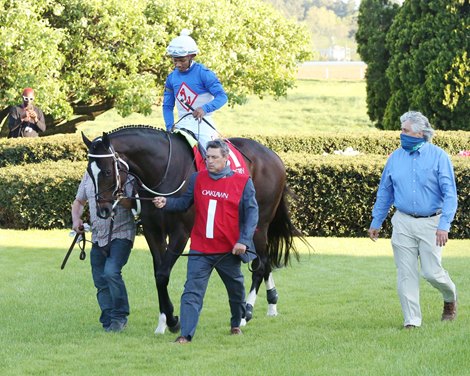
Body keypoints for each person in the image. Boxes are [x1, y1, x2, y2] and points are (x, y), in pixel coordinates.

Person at [153, 139, 258, 343]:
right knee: (191, 291)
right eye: (207, 157)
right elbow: (184, 203)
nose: (209, 161)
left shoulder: (243, 182)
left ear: (226, 158)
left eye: (214, 157)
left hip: (229, 250)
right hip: (200, 249)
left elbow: (253, 215)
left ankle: (236, 323)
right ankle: (186, 335)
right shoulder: (197, 178)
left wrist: (243, 241)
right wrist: (166, 203)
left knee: (236, 290)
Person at [368, 111, 458, 329]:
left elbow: (450, 195)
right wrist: (376, 221)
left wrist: (444, 225)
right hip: (403, 222)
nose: (401, 134)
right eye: (402, 130)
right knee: (405, 273)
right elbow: (385, 192)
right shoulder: (395, 158)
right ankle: (412, 321)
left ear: (420, 133)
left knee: (431, 272)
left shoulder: (439, 157)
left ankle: (449, 297)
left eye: (405, 130)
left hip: (431, 223)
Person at [71, 172, 136, 332]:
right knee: (100, 279)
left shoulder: (125, 175)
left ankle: (120, 316)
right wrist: (76, 220)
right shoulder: (88, 175)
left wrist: (119, 196)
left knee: (111, 272)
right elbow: (79, 201)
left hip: (122, 233)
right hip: (98, 236)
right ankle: (108, 319)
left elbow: (134, 205)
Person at [163, 29, 228, 151]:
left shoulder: (204, 74)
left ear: (192, 56)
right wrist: (169, 126)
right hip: (181, 125)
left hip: (203, 124)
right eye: (174, 60)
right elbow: (167, 106)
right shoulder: (171, 78)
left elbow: (222, 97)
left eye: (182, 60)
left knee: (212, 156)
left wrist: (205, 109)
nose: (177, 65)